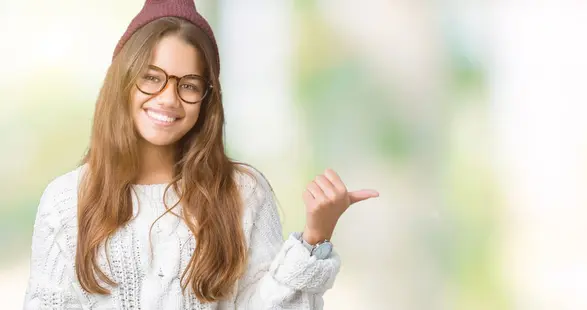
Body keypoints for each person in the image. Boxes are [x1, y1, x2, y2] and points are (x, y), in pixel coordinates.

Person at [22, 0, 379, 309]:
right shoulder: (66, 200)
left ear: (207, 99)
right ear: (122, 82)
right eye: (151, 77)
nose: (168, 99)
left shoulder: (242, 191)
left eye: (189, 85)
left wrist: (316, 236)